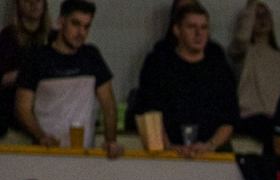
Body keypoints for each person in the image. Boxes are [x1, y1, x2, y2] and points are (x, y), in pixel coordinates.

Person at [13, 0, 119, 157]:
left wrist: (110, 141)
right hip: (46, 152)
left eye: (86, 26)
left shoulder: (91, 56)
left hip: (83, 153)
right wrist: (41, 136)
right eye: (76, 24)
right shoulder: (38, 58)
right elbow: (22, 108)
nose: (81, 32)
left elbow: (109, 105)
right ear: (61, 22)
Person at [130, 2, 236, 155]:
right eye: (191, 27)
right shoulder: (158, 64)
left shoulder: (219, 68)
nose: (199, 33)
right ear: (177, 30)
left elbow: (229, 118)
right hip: (168, 154)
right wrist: (168, 147)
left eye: (204, 27)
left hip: (212, 155)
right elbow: (148, 111)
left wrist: (210, 146)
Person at [229, 0, 280, 144]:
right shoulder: (244, 52)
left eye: (266, 14)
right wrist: (251, 6)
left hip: (275, 120)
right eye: (257, 15)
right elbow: (242, 38)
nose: (262, 19)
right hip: (249, 118)